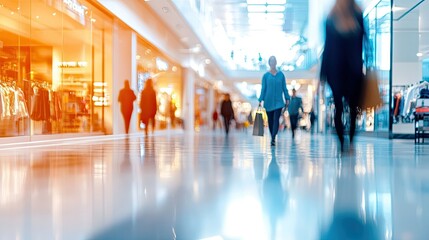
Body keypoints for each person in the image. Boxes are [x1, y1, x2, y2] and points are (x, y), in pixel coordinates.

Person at [320, 0, 365, 151]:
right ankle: (341, 142)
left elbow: (365, 41)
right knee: (338, 107)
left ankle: (351, 141)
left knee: (353, 108)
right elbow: (327, 47)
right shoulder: (330, 19)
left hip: (353, 70)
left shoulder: (358, 15)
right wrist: (322, 74)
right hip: (335, 70)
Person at [258, 56, 290, 146]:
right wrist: (260, 100)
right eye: (271, 61)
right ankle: (272, 135)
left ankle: (273, 138)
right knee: (270, 121)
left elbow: (284, 87)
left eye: (274, 61)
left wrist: (287, 98)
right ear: (269, 63)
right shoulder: (265, 76)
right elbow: (263, 89)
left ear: (276, 62)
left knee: (276, 119)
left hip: (279, 102)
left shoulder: (281, 75)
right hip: (268, 102)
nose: (273, 63)